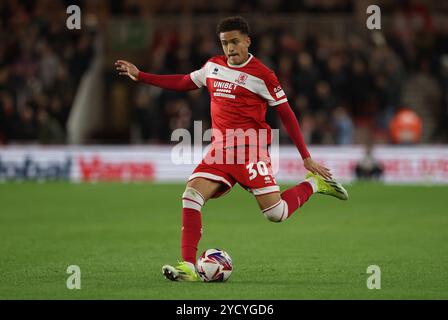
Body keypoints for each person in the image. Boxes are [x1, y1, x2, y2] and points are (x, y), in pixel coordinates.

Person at [115, 16, 348, 282]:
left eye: (235, 41)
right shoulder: (213, 66)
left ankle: (315, 184)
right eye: (225, 43)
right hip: (221, 151)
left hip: (251, 151)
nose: (230, 48)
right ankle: (189, 266)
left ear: (248, 41)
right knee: (191, 195)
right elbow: (183, 82)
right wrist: (141, 76)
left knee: (276, 213)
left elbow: (288, 115)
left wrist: (306, 158)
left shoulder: (264, 76)